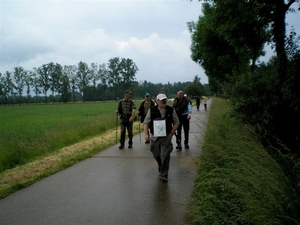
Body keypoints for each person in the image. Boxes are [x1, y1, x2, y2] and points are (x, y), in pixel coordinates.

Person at [143, 93, 179, 182]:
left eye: (165, 99)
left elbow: (177, 123)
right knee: (156, 155)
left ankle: (164, 174)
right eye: (162, 100)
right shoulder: (152, 110)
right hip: (154, 138)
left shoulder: (171, 110)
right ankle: (160, 165)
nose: (164, 101)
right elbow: (146, 123)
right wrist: (146, 134)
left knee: (165, 155)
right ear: (157, 101)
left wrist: (171, 133)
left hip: (166, 137)